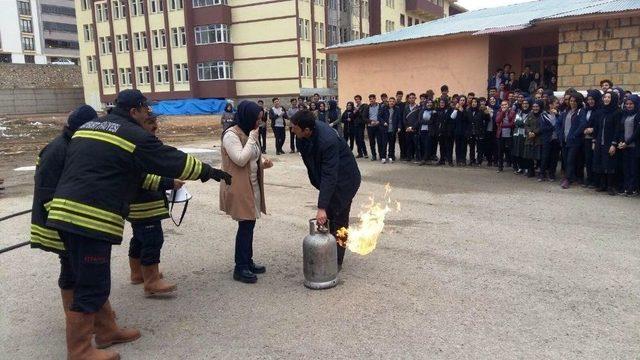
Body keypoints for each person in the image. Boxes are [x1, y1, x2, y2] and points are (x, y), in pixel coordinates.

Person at [45, 89, 231, 359]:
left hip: (67, 211)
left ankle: (107, 330)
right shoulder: (131, 135)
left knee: (90, 279)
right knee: (92, 284)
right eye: (146, 109)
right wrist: (209, 172)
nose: (149, 113)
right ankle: (80, 350)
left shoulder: (91, 127)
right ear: (134, 111)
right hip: (89, 216)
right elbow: (170, 159)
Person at [30, 105, 97, 328]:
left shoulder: (73, 144)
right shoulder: (57, 150)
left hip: (67, 217)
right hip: (58, 220)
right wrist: (65, 222)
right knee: (70, 267)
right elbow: (46, 190)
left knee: (80, 268)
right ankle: (73, 319)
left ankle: (88, 316)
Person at [290, 110, 361, 269]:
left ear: (307, 130)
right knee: (328, 219)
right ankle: (327, 253)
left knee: (339, 220)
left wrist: (321, 207)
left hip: (345, 181)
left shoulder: (327, 140)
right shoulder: (301, 138)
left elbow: (330, 174)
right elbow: (313, 164)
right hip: (328, 180)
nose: (292, 130)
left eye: (294, 127)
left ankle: (336, 262)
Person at [127, 112, 183, 296]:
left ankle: (137, 274)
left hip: (136, 203)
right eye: (150, 122)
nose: (155, 126)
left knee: (139, 238)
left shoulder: (134, 143)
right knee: (152, 239)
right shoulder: (140, 145)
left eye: (155, 122)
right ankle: (151, 281)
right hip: (144, 204)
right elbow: (141, 177)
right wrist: (169, 182)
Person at [220, 101, 273, 283]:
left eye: (261, 119)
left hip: (252, 185)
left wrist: (262, 162)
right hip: (238, 187)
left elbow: (252, 156)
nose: (259, 122)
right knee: (245, 226)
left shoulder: (249, 132)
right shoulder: (231, 135)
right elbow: (240, 159)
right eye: (257, 118)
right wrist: (252, 138)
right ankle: (240, 267)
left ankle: (247, 262)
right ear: (248, 116)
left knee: (249, 226)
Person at [589, 92, 622, 195]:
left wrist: (614, 144)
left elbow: (618, 129)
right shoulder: (600, 112)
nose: (606, 99)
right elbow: (596, 128)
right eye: (605, 97)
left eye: (609, 97)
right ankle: (602, 185)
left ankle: (610, 186)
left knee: (610, 164)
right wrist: (594, 141)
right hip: (599, 142)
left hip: (610, 142)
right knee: (600, 163)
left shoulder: (617, 112)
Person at [557, 93, 585, 189]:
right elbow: (559, 123)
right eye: (571, 101)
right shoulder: (566, 111)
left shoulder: (581, 111)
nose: (572, 103)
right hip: (564, 140)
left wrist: (574, 135)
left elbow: (582, 125)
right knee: (565, 160)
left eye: (574, 101)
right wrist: (559, 133)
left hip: (574, 141)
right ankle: (571, 177)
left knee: (570, 160)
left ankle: (567, 179)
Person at [618, 95, 640, 196]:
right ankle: (626, 187)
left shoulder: (638, 115)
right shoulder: (625, 114)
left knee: (633, 169)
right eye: (627, 104)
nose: (629, 106)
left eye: (631, 104)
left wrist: (627, 143)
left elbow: (637, 132)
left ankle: (633, 188)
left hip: (634, 146)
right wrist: (622, 142)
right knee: (625, 168)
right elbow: (622, 130)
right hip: (625, 146)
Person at [580, 90, 601, 188]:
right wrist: (584, 129)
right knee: (587, 160)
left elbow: (600, 125)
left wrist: (592, 129)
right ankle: (589, 179)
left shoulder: (600, 110)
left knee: (594, 160)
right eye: (588, 99)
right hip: (585, 138)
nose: (590, 101)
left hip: (595, 139)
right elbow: (582, 122)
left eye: (592, 99)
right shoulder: (585, 110)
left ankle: (595, 181)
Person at [539, 97, 561, 181]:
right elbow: (543, 127)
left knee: (554, 158)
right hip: (547, 139)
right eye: (556, 103)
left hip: (556, 139)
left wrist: (557, 115)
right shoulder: (544, 114)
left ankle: (552, 174)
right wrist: (554, 127)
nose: (557, 105)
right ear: (550, 104)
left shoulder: (559, 114)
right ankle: (542, 173)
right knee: (545, 157)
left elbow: (561, 123)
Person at [523, 100, 543, 178]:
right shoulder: (530, 114)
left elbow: (542, 126)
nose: (535, 108)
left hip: (539, 139)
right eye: (534, 106)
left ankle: (540, 171)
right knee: (529, 156)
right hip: (530, 138)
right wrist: (529, 132)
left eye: (537, 106)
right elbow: (526, 125)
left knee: (539, 156)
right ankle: (531, 171)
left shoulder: (543, 115)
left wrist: (535, 133)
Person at [496, 100, 515, 172]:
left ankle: (514, 166)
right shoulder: (499, 112)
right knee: (500, 151)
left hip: (510, 135)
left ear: (508, 105)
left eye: (505, 105)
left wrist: (502, 125)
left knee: (511, 151)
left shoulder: (512, 112)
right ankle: (500, 167)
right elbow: (497, 121)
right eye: (502, 105)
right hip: (501, 135)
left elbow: (512, 124)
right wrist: (503, 112)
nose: (504, 106)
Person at [512, 98, 530, 174]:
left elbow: (528, 124)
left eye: (526, 103)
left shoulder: (531, 113)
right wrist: (523, 123)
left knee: (525, 153)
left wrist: (522, 123)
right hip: (518, 135)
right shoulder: (518, 112)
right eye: (523, 103)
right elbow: (516, 122)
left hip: (527, 136)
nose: (525, 105)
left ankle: (526, 167)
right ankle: (520, 167)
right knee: (518, 152)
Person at [403, 93, 422, 163]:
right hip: (407, 129)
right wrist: (407, 127)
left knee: (416, 144)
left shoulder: (418, 108)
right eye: (410, 98)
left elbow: (419, 119)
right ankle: (409, 157)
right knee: (408, 144)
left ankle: (417, 158)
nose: (411, 99)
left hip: (415, 129)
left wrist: (413, 127)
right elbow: (404, 118)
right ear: (408, 99)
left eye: (413, 98)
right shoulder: (406, 107)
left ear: (415, 98)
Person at [451, 96, 468, 166]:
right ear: (458, 101)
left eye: (463, 100)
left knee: (464, 146)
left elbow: (467, 119)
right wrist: (456, 109)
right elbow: (452, 117)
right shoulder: (456, 109)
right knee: (458, 146)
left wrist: (462, 111)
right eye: (461, 100)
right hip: (457, 131)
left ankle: (463, 159)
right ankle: (458, 160)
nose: (462, 101)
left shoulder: (467, 109)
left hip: (464, 131)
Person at [437, 98, 454, 166]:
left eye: (443, 102)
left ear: (446, 103)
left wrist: (449, 131)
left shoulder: (449, 110)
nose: (442, 104)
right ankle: (442, 160)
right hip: (441, 131)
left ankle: (450, 161)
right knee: (442, 146)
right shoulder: (438, 110)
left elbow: (451, 121)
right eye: (441, 103)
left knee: (449, 147)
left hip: (448, 131)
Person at [418, 99, 435, 165]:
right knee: (422, 145)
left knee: (428, 145)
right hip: (422, 130)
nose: (429, 104)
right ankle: (423, 158)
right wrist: (427, 122)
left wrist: (425, 122)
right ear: (425, 104)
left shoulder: (434, 112)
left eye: (431, 103)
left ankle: (425, 159)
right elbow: (420, 121)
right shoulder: (422, 111)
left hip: (430, 131)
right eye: (428, 103)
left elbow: (433, 121)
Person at [386, 97, 400, 163]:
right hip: (385, 129)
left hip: (393, 128)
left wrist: (399, 127)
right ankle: (383, 156)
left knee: (392, 143)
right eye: (390, 101)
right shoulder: (384, 108)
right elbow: (380, 117)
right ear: (388, 102)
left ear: (394, 102)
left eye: (393, 101)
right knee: (385, 144)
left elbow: (399, 119)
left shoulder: (397, 109)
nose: (391, 102)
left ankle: (391, 155)